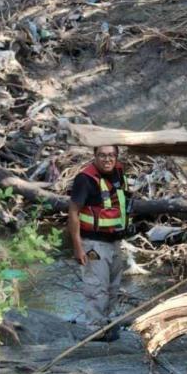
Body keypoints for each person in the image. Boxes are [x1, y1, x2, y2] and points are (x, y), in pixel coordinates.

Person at [67, 145, 131, 340]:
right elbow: (73, 213)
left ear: (116, 157)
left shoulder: (118, 173)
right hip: (93, 243)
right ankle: (94, 330)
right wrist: (78, 248)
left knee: (113, 286)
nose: (107, 159)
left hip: (115, 241)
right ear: (95, 156)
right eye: (102, 155)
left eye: (111, 155)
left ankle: (107, 322)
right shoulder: (85, 179)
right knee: (96, 287)